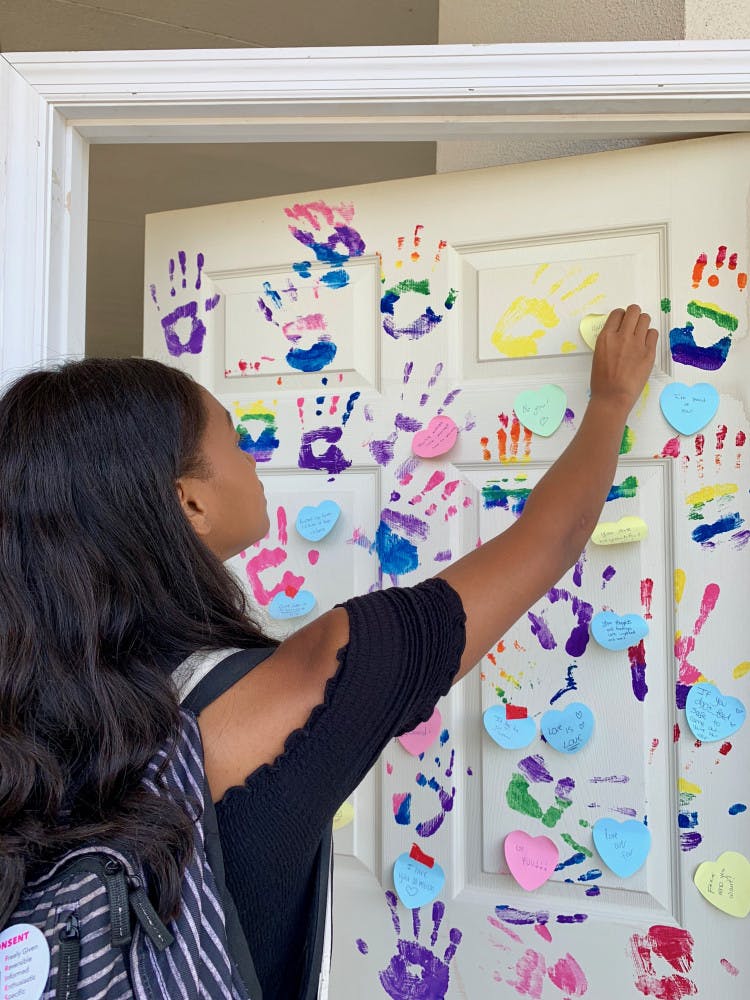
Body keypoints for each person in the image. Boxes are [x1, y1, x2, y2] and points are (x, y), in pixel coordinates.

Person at [0, 305, 657, 999]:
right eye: (236, 438)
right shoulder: (298, 685)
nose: (253, 457)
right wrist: (611, 404)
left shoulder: (26, 712)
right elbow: (550, 539)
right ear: (189, 503)